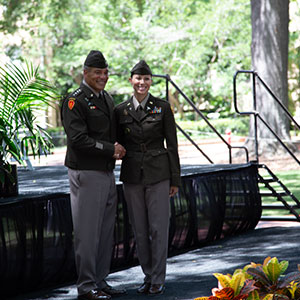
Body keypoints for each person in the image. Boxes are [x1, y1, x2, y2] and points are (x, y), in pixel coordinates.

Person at [61, 50, 126, 300]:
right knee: (88, 233)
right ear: (85, 72)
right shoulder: (75, 101)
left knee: (105, 231)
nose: (102, 76)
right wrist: (111, 150)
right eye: (97, 72)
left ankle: (100, 281)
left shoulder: (106, 98)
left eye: (105, 72)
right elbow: (77, 139)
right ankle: (86, 287)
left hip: (106, 172)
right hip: (86, 173)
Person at [115, 60, 181, 295]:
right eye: (138, 78)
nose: (142, 83)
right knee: (139, 229)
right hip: (132, 174)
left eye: (146, 79)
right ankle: (148, 275)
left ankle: (158, 278)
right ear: (131, 80)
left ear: (150, 81)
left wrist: (175, 179)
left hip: (159, 173)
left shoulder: (162, 107)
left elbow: (172, 145)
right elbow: (117, 142)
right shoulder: (120, 110)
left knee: (158, 228)